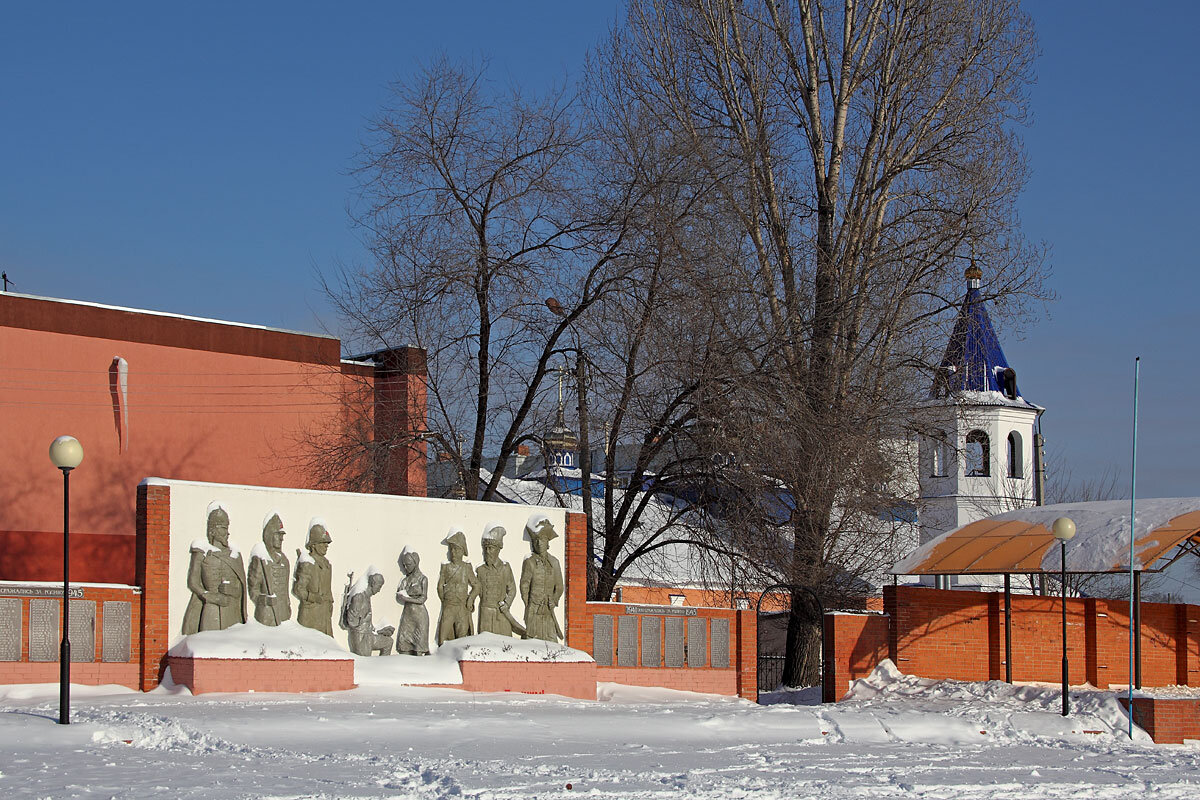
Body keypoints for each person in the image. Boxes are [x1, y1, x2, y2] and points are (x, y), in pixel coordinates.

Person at [181, 504, 247, 634]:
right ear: (213, 530)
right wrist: (209, 597)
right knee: (207, 642)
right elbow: (193, 582)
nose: (227, 532)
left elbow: (241, 586)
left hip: (232, 612)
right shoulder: (201, 552)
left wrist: (233, 590)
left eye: (227, 528)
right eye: (223, 528)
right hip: (211, 610)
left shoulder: (235, 555)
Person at [471, 523, 522, 637]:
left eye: (491, 548)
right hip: (485, 613)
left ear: (498, 550)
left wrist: (507, 604)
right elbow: (477, 589)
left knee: (505, 644)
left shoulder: (505, 568)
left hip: (501, 613)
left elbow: (512, 589)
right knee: (485, 643)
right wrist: (471, 600)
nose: (488, 551)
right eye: (486, 548)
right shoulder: (480, 570)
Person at [520, 514, 564, 642]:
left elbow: (559, 586)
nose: (539, 543)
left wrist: (554, 599)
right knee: (531, 639)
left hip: (548, 609)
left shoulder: (554, 562)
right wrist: (528, 603)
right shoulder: (530, 562)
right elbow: (525, 584)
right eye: (536, 540)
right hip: (534, 609)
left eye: (542, 540)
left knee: (551, 641)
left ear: (548, 543)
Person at [247, 511, 291, 626]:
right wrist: (264, 600)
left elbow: (285, 591)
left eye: (282, 535)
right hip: (267, 616)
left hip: (283, 615)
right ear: (269, 535)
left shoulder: (285, 561)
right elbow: (253, 591)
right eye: (278, 535)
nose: (281, 539)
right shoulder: (260, 559)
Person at [293, 519, 334, 636]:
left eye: (327, 543)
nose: (326, 545)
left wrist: (330, 603)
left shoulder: (327, 564)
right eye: (323, 542)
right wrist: (313, 597)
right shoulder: (307, 563)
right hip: (310, 615)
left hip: (324, 615)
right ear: (314, 545)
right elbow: (298, 589)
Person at [436, 529, 476, 645]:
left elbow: (476, 585)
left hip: (461, 607)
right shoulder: (446, 567)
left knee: (461, 640)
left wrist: (470, 599)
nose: (453, 552)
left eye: (457, 549)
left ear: (462, 551)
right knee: (442, 638)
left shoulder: (466, 567)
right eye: (451, 549)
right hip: (449, 606)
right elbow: (440, 586)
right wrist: (445, 600)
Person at [345, 570, 395, 656]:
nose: (379, 590)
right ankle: (371, 668)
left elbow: (368, 624)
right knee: (366, 662)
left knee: (388, 642)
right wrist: (365, 619)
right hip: (361, 637)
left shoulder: (367, 597)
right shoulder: (359, 597)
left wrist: (380, 630)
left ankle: (383, 666)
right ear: (373, 584)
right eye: (379, 587)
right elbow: (351, 621)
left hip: (368, 634)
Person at [394, 547, 430, 655]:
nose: (405, 567)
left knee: (418, 646)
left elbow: (423, 599)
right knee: (404, 646)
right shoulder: (405, 580)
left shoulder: (423, 579)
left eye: (408, 564)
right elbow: (400, 592)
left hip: (420, 616)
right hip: (408, 615)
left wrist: (407, 599)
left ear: (415, 563)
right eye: (404, 565)